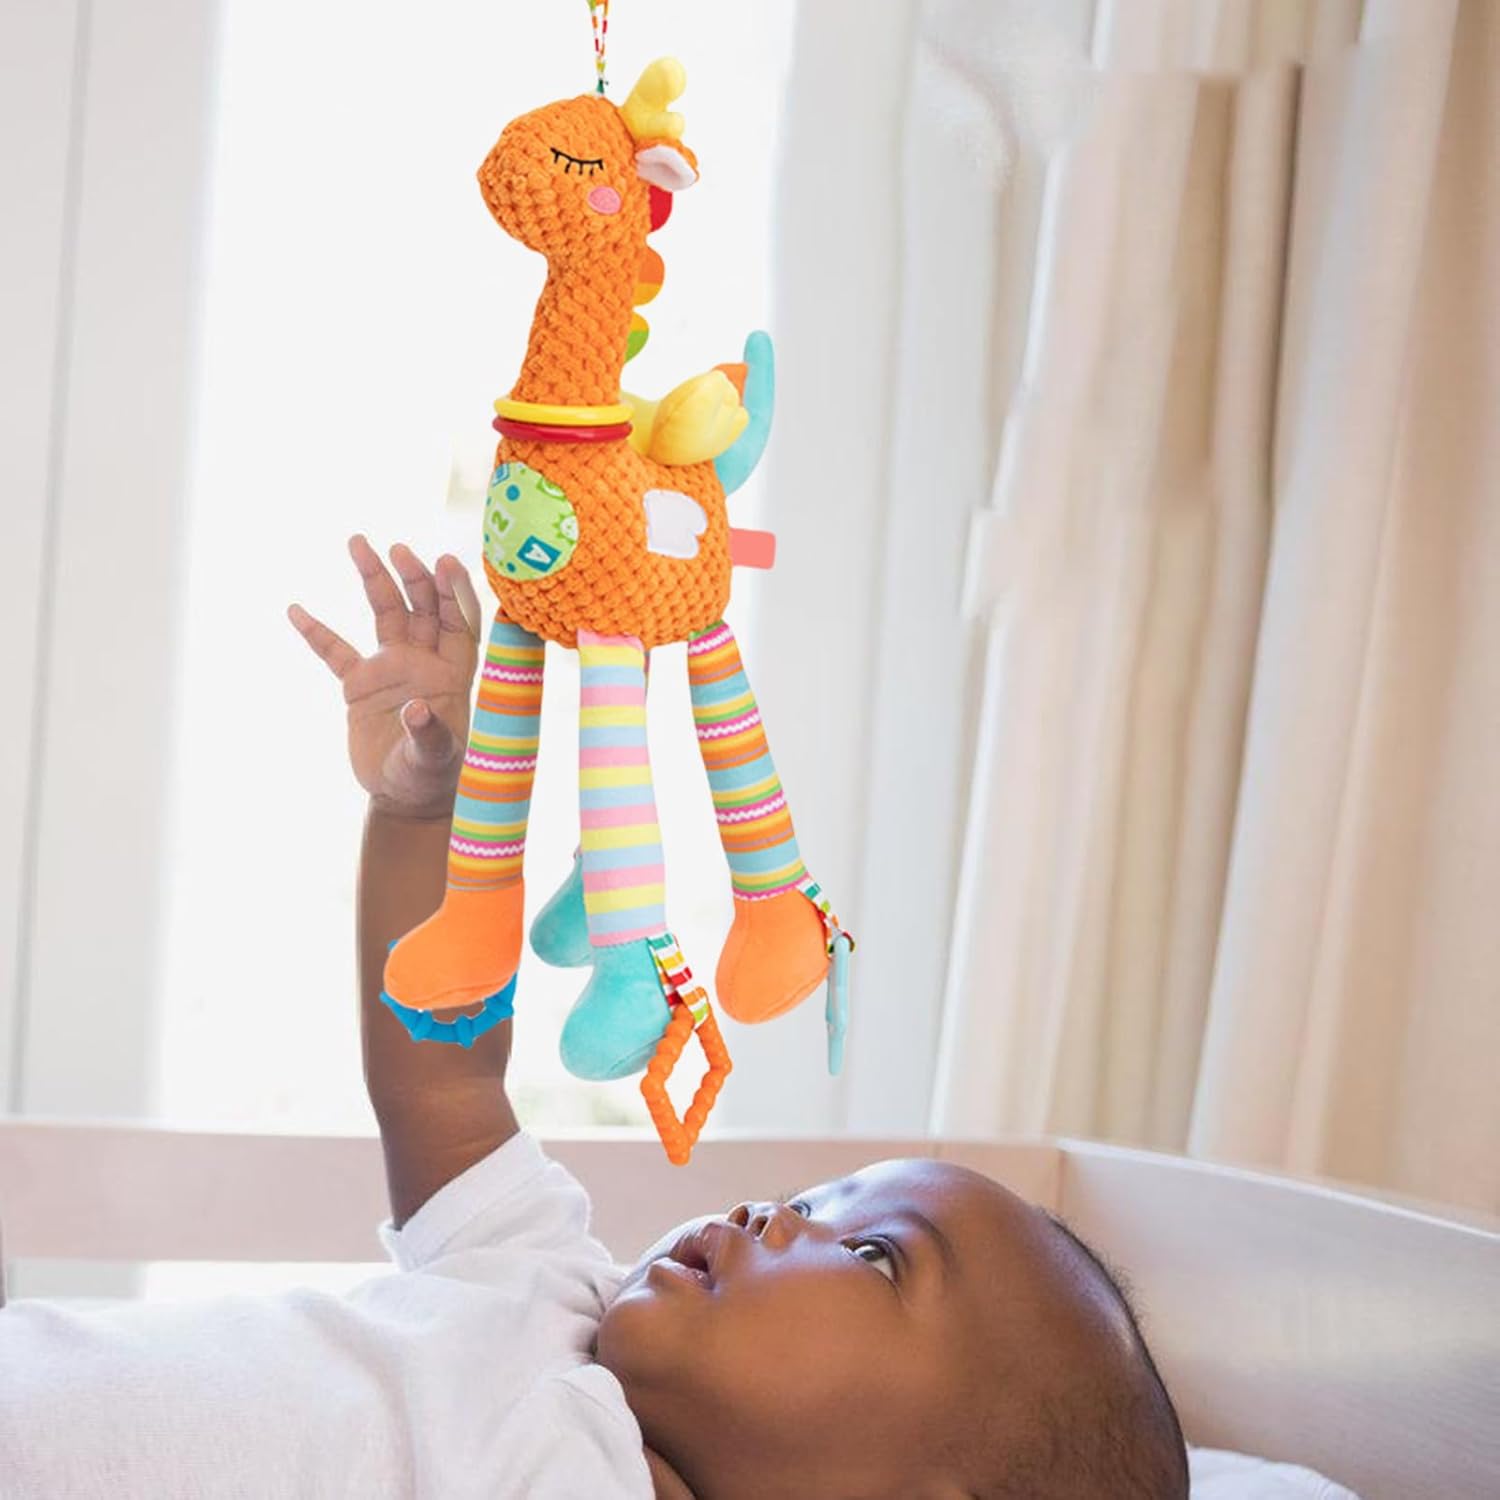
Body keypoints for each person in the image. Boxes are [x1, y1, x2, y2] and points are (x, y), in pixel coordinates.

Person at [0, 537, 1188, 1499]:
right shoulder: (549, 1284)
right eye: (825, 1201)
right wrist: (424, 810)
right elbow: (441, 1080)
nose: (780, 1213)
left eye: (877, 1257)